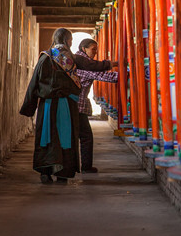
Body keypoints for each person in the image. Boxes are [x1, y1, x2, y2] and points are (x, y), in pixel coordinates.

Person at [20, 28, 117, 184]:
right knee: (66, 138)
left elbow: (34, 83)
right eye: (70, 40)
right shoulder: (72, 58)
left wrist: (29, 107)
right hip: (67, 105)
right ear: (67, 40)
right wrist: (111, 64)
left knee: (47, 137)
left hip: (48, 106)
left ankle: (45, 172)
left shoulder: (45, 57)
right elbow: (92, 66)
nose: (72, 43)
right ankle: (63, 173)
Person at [75, 38, 119, 173]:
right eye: (93, 49)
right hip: (77, 107)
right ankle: (85, 167)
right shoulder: (82, 64)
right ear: (84, 49)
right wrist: (124, 71)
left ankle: (78, 166)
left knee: (79, 136)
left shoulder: (79, 62)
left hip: (75, 106)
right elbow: (105, 76)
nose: (95, 53)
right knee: (86, 137)